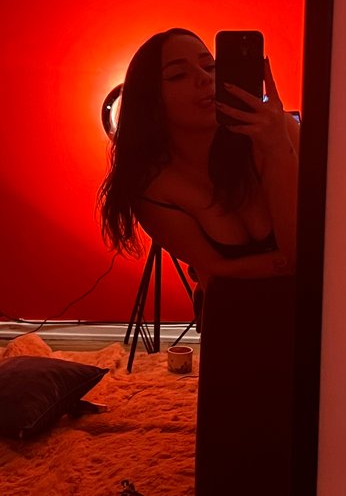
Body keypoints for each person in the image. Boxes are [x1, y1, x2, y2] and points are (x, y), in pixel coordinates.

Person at [98, 28, 299, 326]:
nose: (205, 79)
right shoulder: (154, 187)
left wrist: (278, 150)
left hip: (316, 306)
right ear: (151, 99)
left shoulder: (277, 134)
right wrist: (289, 263)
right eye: (178, 75)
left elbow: (304, 248)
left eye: (210, 66)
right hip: (235, 316)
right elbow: (214, 269)